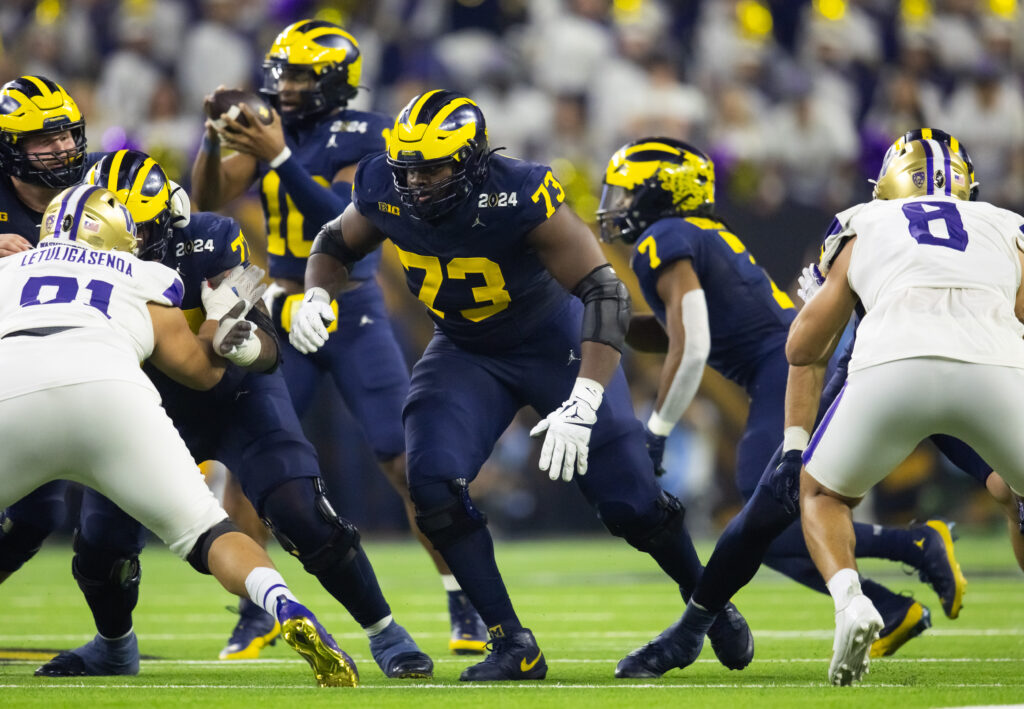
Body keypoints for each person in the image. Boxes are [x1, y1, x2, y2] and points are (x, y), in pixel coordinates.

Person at [288, 89, 755, 681]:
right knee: (429, 483)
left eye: (432, 167)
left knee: (630, 504)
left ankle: (707, 604)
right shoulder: (384, 183)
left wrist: (585, 398)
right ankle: (513, 643)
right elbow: (334, 242)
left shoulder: (519, 192)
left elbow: (604, 292)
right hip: (464, 349)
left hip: (551, 344)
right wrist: (319, 293)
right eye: (408, 168)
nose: (416, 182)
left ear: (472, 161)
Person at [18, 150, 432, 681]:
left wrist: (240, 347)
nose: (131, 241)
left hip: (236, 400)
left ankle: (385, 633)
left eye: (141, 227)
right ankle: (114, 646)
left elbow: (266, 349)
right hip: (140, 408)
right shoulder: (73, 255)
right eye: (117, 225)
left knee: (303, 513)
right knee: (100, 544)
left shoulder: (212, 237)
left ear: (173, 217)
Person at [596, 137, 967, 678]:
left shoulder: (664, 236)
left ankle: (910, 547)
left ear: (661, 194)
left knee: (759, 509)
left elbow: (692, 340)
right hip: (783, 366)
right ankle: (892, 603)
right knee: (768, 526)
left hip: (788, 371)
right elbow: (678, 329)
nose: (617, 205)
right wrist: (611, 326)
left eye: (626, 193)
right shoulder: (695, 233)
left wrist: (657, 430)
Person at [190, 18, 488, 656]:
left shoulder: (372, 132)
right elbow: (207, 205)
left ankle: (462, 598)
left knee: (408, 461)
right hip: (279, 311)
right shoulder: (274, 128)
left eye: (302, 75)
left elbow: (347, 220)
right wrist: (214, 142)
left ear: (334, 82)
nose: (288, 87)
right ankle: (256, 608)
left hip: (349, 312)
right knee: (251, 462)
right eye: (284, 73)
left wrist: (277, 156)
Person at [787, 131, 1024, 685]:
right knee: (1016, 495)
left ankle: (851, 601)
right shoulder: (1005, 224)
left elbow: (803, 348)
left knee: (821, 495)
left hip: (892, 366)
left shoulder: (862, 220)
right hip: (998, 371)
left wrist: (827, 296)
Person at [0, 74, 104, 585]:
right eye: (44, 138)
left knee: (41, 513)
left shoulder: (99, 198)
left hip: (56, 371)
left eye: (67, 134)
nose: (62, 147)